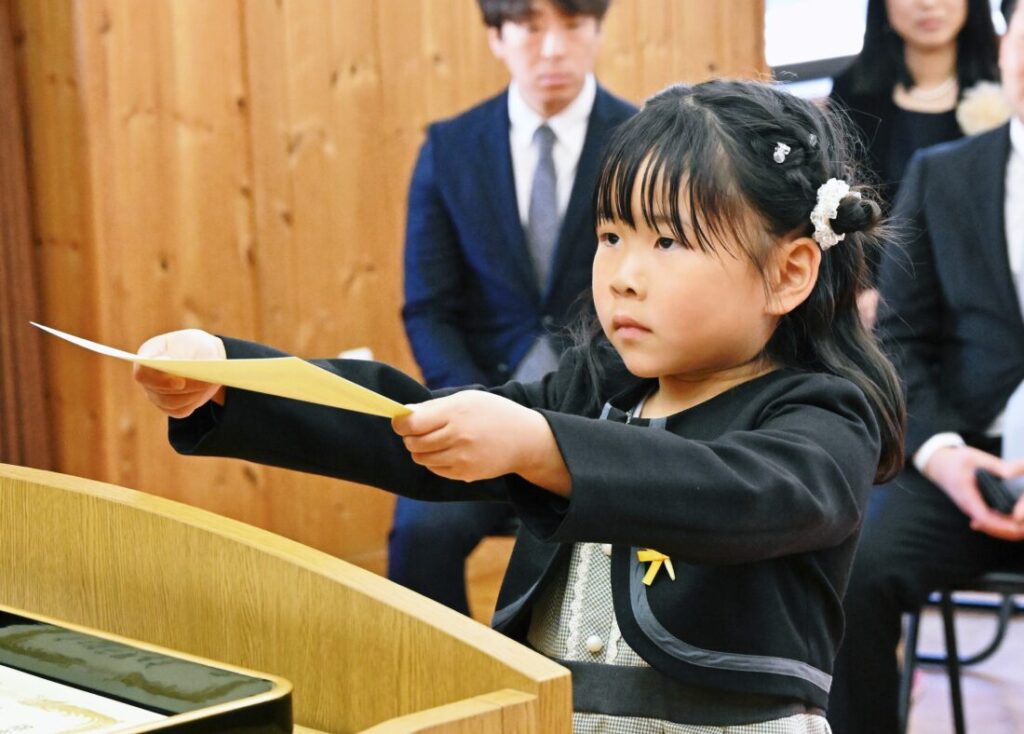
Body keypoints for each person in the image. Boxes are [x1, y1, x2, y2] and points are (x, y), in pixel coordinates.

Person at [134, 78, 905, 731]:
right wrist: (235, 379)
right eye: (611, 235)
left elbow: (742, 493)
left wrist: (542, 447)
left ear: (789, 273)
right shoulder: (597, 389)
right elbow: (416, 424)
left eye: (668, 243)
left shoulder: (825, 415)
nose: (623, 275)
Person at [394, 0, 636, 615]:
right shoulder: (450, 148)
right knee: (420, 535)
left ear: (598, 30)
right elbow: (429, 308)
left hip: (609, 415)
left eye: (572, 25)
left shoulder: (642, 144)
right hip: (480, 403)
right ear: (497, 37)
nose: (552, 48)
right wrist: (474, 402)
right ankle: (448, 677)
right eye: (530, 28)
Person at [827, 2, 1024, 732]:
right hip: (964, 454)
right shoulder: (943, 174)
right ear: (1004, 49)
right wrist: (941, 453)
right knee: (852, 572)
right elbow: (899, 341)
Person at [829, 0, 1001, 326]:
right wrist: (861, 291)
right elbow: (842, 213)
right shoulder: (853, 93)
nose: (928, 4)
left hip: (986, 302)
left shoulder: (1008, 87)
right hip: (884, 305)